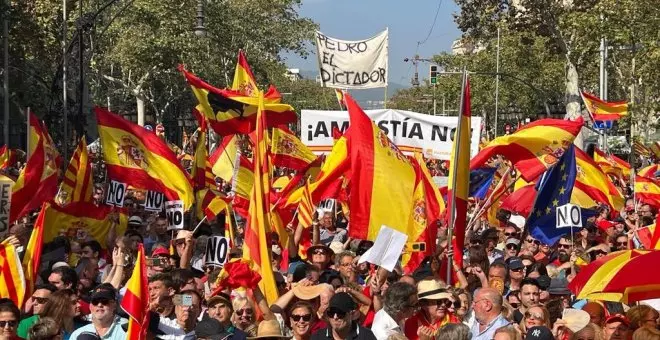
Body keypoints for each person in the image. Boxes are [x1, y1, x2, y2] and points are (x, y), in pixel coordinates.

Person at [311, 292, 376, 340]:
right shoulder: (318, 337)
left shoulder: (366, 336)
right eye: (331, 313)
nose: (335, 317)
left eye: (340, 313)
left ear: (352, 314)